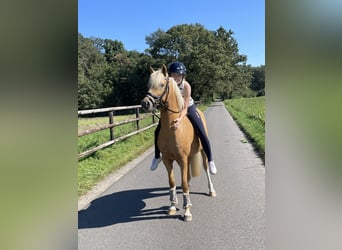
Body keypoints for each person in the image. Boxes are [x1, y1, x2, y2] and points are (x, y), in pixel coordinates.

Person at [150, 61, 217, 175]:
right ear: (170, 75)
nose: (176, 77)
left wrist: (180, 119)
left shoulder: (186, 86)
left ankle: (210, 160)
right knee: (157, 131)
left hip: (187, 107)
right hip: (173, 109)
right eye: (173, 75)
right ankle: (157, 156)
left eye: (178, 75)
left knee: (201, 131)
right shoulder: (169, 85)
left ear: (182, 75)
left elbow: (185, 107)